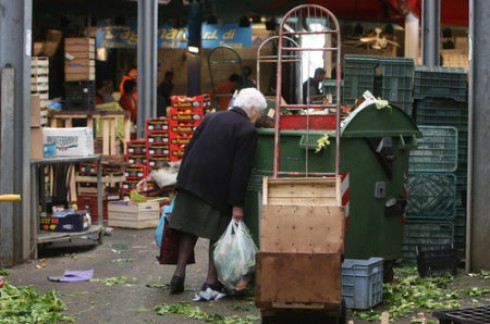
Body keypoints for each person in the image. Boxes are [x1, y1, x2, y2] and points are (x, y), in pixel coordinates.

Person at [167, 87, 268, 295]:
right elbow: (241, 171)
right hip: (216, 187)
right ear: (251, 109)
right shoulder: (247, 131)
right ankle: (211, 282)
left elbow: (189, 148)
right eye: (258, 114)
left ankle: (178, 275)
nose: (258, 119)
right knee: (218, 234)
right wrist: (237, 205)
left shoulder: (212, 117)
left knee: (189, 228)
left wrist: (180, 182)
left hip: (190, 180)